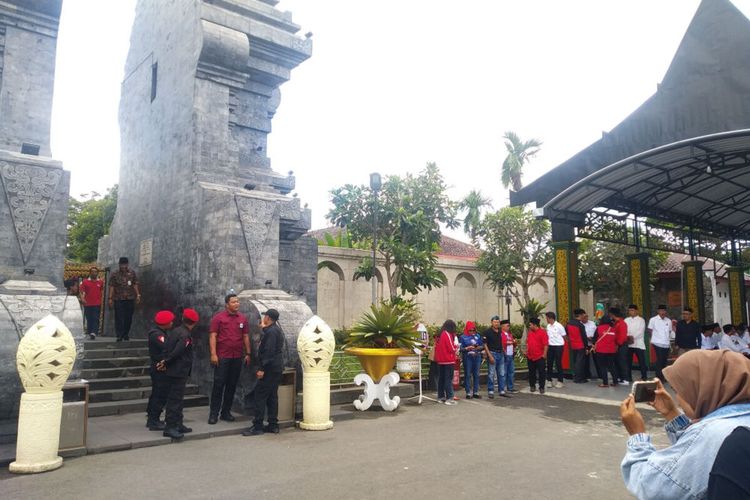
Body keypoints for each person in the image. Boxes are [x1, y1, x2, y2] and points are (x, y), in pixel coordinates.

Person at [619, 349, 750, 499]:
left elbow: (652, 488)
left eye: (678, 390)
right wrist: (671, 413)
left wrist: (637, 436)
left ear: (702, 391)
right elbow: (695, 454)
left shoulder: (713, 433)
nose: (678, 399)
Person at [208, 294, 251, 424]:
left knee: (232, 385)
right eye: (234, 302)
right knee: (218, 385)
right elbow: (213, 336)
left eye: (238, 302)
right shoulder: (218, 318)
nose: (237, 304)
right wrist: (213, 354)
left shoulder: (243, 319)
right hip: (222, 357)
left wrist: (248, 353)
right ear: (227, 304)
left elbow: (245, 337)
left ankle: (225, 412)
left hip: (237, 357)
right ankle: (213, 414)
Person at [158, 308, 199, 439]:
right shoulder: (185, 335)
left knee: (177, 399)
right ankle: (170, 427)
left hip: (175, 370)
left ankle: (178, 423)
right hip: (178, 370)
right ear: (194, 322)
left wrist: (165, 361)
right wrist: (166, 361)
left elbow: (167, 348)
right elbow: (178, 351)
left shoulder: (175, 331)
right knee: (175, 400)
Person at [244, 309, 284, 436]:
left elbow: (268, 352)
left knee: (260, 396)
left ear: (268, 318)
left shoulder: (271, 332)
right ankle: (273, 425)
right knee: (272, 396)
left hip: (269, 369)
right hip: (275, 368)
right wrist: (264, 330)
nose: (263, 319)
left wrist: (262, 369)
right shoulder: (274, 330)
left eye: (265, 316)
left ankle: (257, 426)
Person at [146, 310, 174, 431]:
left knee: (157, 393)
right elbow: (167, 347)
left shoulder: (160, 332)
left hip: (160, 366)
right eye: (170, 321)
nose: (172, 323)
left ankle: (152, 418)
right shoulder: (157, 334)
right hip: (159, 367)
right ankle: (153, 420)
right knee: (159, 394)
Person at [108, 257, 141, 341]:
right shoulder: (115, 274)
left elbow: (135, 284)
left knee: (128, 317)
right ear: (119, 264)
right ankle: (119, 335)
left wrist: (138, 295)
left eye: (125, 264)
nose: (123, 266)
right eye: (122, 264)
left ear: (127, 264)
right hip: (118, 299)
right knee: (119, 317)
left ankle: (126, 333)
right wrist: (110, 298)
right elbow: (112, 286)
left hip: (130, 298)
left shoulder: (132, 273)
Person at [482, 316, 508, 399]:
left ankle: (501, 390)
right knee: (491, 374)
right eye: (495, 322)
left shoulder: (501, 332)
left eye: (498, 322)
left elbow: (503, 342)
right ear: (491, 322)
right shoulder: (487, 332)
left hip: (501, 354)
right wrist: (489, 356)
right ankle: (491, 390)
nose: (496, 323)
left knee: (502, 373)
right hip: (492, 353)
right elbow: (485, 344)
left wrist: (504, 351)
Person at [434, 319, 458, 405]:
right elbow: (451, 348)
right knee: (448, 379)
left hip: (441, 361)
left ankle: (441, 397)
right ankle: (450, 398)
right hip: (448, 360)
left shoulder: (440, 334)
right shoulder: (447, 334)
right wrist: (457, 347)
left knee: (442, 379)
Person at [647, 305, 673, 382]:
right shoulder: (653, 319)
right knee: (660, 360)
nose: (663, 312)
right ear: (658, 311)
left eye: (664, 311)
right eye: (661, 311)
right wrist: (656, 337)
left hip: (666, 343)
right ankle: (659, 377)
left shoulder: (668, 320)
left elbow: (669, 331)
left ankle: (663, 376)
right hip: (657, 343)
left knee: (664, 361)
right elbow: (650, 330)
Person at [458, 321, 483, 399]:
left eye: (473, 330)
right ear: (467, 330)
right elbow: (460, 348)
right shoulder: (463, 337)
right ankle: (468, 392)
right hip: (468, 357)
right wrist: (467, 348)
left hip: (477, 356)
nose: (472, 332)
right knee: (468, 374)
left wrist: (479, 348)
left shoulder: (478, 336)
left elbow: (482, 345)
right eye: (470, 330)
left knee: (476, 374)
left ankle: (475, 392)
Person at [79, 266, 104, 340]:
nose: (94, 273)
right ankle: (90, 332)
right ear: (90, 273)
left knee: (96, 318)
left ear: (97, 273)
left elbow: (101, 291)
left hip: (97, 303)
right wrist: (82, 299)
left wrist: (101, 300)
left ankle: (94, 332)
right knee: (89, 319)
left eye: (95, 272)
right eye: (92, 271)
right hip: (87, 303)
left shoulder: (100, 282)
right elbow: (81, 291)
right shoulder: (85, 282)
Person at [593, 316, 618, 387]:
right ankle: (615, 381)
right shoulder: (613, 329)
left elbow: (595, 338)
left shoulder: (599, 328)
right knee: (612, 366)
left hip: (601, 350)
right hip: (611, 350)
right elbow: (615, 339)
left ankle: (605, 383)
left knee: (602, 366)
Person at [624, 304, 648, 381]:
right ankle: (628, 377)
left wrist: (632, 338)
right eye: (630, 310)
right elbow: (625, 330)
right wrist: (628, 338)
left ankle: (644, 376)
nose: (631, 312)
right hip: (629, 344)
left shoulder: (641, 320)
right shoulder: (626, 320)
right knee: (628, 362)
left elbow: (640, 332)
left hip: (638, 343)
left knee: (641, 361)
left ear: (636, 311)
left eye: (633, 310)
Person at [566, 308, 590, 383]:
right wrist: (586, 347)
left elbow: (566, 334)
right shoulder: (580, 325)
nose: (584, 316)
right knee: (580, 362)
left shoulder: (568, 323)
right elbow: (584, 337)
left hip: (573, 345)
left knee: (576, 362)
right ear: (580, 315)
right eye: (584, 315)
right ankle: (579, 379)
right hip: (580, 345)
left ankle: (576, 376)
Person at [526, 318, 548, 394]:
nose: (529, 326)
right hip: (530, 356)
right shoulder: (530, 333)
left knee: (542, 372)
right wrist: (526, 351)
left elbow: (545, 344)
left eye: (530, 325)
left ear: (535, 325)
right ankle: (532, 386)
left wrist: (544, 354)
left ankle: (541, 387)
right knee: (531, 372)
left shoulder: (542, 333)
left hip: (540, 356)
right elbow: (528, 343)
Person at [545, 312, 566, 388]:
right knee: (549, 363)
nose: (546, 319)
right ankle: (549, 380)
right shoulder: (548, 326)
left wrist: (562, 344)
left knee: (558, 363)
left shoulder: (559, 326)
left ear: (550, 318)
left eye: (547, 318)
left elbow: (564, 336)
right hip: (550, 346)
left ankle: (560, 381)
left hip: (558, 346)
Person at [610, 307, 629, 385]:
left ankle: (625, 379)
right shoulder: (616, 323)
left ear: (613, 314)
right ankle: (619, 377)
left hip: (621, 345)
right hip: (617, 345)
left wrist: (618, 344)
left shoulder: (622, 323)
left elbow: (622, 336)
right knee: (617, 362)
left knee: (622, 362)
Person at [500, 319, 518, 393]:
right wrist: (510, 342)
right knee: (504, 372)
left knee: (511, 372)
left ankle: (510, 387)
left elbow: (513, 343)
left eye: (509, 326)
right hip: (505, 355)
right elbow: (502, 343)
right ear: (503, 326)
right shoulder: (501, 334)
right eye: (507, 326)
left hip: (511, 355)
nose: (508, 327)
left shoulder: (510, 334)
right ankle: (503, 388)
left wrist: (514, 343)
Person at [582, 311, 599, 380]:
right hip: (585, 345)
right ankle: (587, 375)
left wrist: (593, 338)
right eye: (584, 317)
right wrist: (586, 338)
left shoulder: (592, 323)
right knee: (585, 360)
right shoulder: (580, 324)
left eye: (586, 317)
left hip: (593, 344)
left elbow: (596, 332)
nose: (585, 318)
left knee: (597, 359)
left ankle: (599, 374)